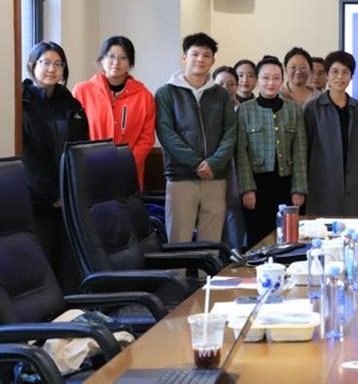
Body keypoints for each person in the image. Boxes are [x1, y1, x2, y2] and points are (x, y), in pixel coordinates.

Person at [155, 33, 237, 243]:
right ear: (184, 58)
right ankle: (178, 270)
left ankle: (207, 269)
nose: (200, 59)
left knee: (211, 243)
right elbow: (166, 133)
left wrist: (213, 163)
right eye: (195, 54)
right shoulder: (166, 93)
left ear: (213, 61)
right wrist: (196, 162)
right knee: (178, 242)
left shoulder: (221, 95)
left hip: (215, 177)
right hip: (180, 177)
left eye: (206, 55)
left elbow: (230, 132)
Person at [22, 41, 88, 292]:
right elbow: (27, 156)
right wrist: (53, 194)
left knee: (69, 264)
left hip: (69, 198)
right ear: (32, 65)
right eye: (46, 62)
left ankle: (70, 309)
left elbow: (81, 148)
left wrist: (69, 191)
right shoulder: (22, 103)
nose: (52, 69)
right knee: (41, 261)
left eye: (58, 64)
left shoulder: (71, 104)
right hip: (37, 200)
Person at [236, 56, 308, 248]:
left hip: (286, 183)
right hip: (257, 185)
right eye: (265, 77)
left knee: (288, 238)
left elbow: (300, 151)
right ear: (257, 80)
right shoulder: (244, 110)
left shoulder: (294, 110)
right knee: (258, 239)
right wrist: (247, 188)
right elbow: (241, 152)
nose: (271, 83)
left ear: (282, 80)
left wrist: (299, 189)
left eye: (276, 78)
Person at [72, 35, 156, 189]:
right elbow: (75, 133)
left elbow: (147, 138)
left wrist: (125, 162)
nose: (116, 62)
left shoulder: (144, 96)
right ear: (102, 60)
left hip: (128, 173)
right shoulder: (82, 91)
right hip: (91, 171)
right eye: (111, 56)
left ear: (130, 63)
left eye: (123, 58)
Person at [303, 50, 358, 215]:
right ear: (327, 76)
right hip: (322, 185)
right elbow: (305, 150)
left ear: (351, 77)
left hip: (355, 187)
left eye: (345, 72)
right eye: (334, 71)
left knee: (354, 228)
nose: (340, 77)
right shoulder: (313, 108)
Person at [213, 65, 245, 250]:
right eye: (221, 84)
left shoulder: (244, 111)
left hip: (236, 179)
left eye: (231, 84)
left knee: (234, 234)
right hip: (212, 176)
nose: (226, 88)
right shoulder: (206, 112)